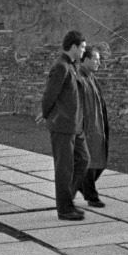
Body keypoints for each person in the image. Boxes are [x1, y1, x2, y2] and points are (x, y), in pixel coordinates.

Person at [36, 30, 89, 221]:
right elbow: (50, 95)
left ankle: (67, 200)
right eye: (82, 47)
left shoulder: (72, 66)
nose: (84, 51)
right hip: (62, 126)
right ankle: (65, 209)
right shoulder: (61, 67)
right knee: (64, 168)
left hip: (75, 126)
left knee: (83, 160)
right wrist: (47, 114)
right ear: (73, 47)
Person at [77, 47, 109, 208]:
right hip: (87, 127)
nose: (99, 63)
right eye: (96, 59)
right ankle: (91, 196)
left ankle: (78, 184)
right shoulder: (79, 78)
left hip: (98, 126)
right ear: (86, 59)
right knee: (90, 163)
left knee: (100, 162)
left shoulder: (91, 78)